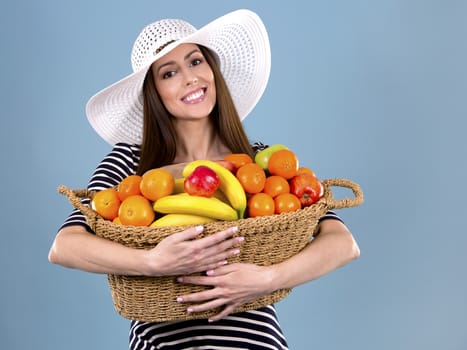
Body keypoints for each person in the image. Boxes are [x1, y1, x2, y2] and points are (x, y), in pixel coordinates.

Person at [48, 9, 360, 350]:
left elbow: (342, 242)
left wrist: (268, 278)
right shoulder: (130, 164)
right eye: (169, 73)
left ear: (212, 69)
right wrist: (152, 262)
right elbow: (65, 246)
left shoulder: (259, 162)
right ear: (155, 92)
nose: (190, 79)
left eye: (195, 61)